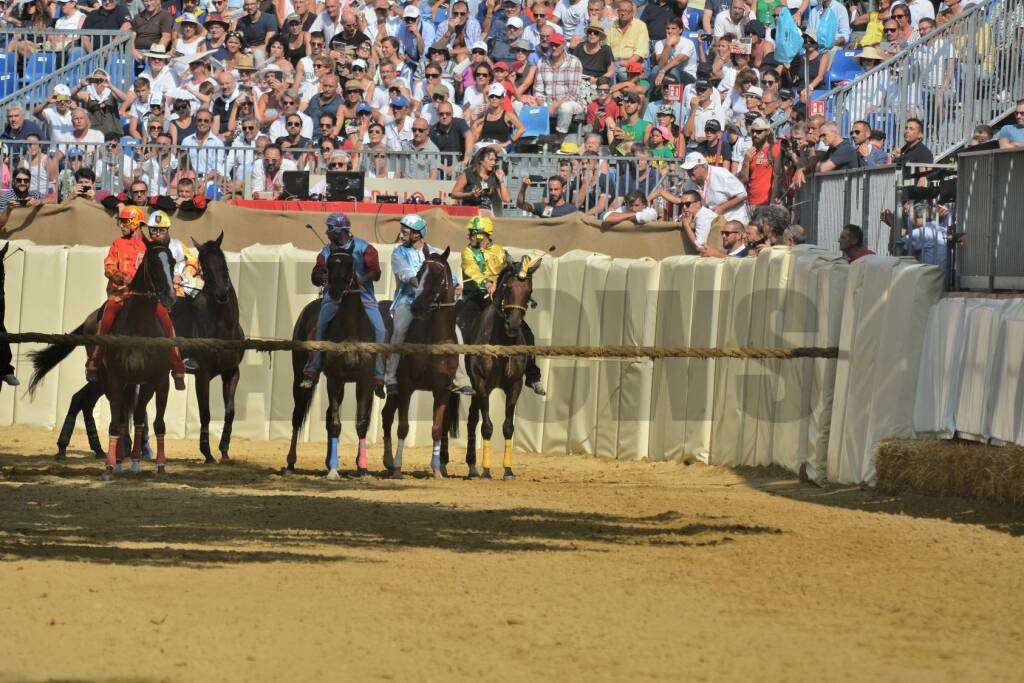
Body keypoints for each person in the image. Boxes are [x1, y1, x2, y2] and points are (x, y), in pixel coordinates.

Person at [86, 207, 187, 390]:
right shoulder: (117, 243)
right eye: (121, 221)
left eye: (125, 221)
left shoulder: (150, 246)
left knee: (166, 321)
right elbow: (108, 267)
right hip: (121, 295)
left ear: (136, 224)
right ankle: (94, 363)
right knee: (106, 317)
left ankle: (177, 368)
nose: (121, 225)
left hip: (146, 297)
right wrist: (123, 278)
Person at [300, 212, 386, 396]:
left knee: (380, 330)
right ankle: (312, 370)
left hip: (362, 296)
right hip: (334, 296)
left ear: (339, 230)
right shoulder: (326, 251)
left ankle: (379, 376)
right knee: (319, 326)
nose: (326, 232)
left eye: (329, 228)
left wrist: (359, 282)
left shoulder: (364, 247)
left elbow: (376, 272)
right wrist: (321, 276)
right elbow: (316, 275)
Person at [385, 213, 471, 395]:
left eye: (405, 232)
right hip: (407, 302)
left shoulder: (434, 252)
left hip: (434, 305)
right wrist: (424, 288)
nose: (401, 236)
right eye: (402, 232)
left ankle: (461, 379)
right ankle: (391, 376)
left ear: (417, 234)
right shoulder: (398, 253)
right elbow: (407, 275)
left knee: (457, 334)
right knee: (399, 331)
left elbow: (448, 275)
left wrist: (455, 285)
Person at [458, 215, 545, 395]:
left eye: (472, 233)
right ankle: (462, 378)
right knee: (463, 331)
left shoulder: (500, 251)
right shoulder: (467, 252)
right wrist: (486, 284)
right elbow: (471, 269)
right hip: (474, 299)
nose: (469, 237)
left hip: (497, 300)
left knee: (527, 333)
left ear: (484, 235)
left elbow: (511, 269)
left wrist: (524, 267)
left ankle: (532, 376)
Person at [144, 209, 202, 374]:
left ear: (167, 230)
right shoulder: (144, 247)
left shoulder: (178, 245)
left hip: (178, 292)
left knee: (189, 312)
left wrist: (182, 276)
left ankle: (186, 355)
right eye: (153, 230)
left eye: (161, 230)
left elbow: (193, 263)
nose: (156, 234)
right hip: (154, 294)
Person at [681, 151, 749, 223]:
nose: (689, 172)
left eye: (692, 169)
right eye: (687, 170)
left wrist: (723, 207)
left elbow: (742, 194)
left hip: (734, 221)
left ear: (703, 166)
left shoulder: (722, 175)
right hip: (713, 224)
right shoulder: (689, 184)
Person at [451, 147, 510, 213]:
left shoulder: (495, 176)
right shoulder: (468, 173)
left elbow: (506, 199)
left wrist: (501, 180)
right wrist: (470, 195)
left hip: (487, 215)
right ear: (480, 160)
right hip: (469, 213)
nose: (493, 163)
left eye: (494, 160)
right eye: (490, 159)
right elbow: (454, 194)